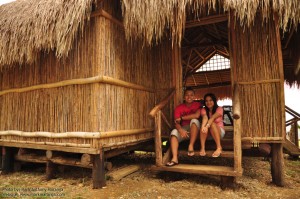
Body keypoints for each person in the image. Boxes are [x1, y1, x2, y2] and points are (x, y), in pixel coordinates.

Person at [166, 87, 202, 166]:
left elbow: (196, 115)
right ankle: (175, 158)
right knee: (174, 132)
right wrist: (180, 130)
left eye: (191, 95)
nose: (189, 97)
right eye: (187, 95)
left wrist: (182, 118)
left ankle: (191, 145)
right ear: (184, 97)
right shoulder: (179, 108)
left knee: (194, 121)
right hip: (185, 130)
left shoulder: (198, 105)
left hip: (196, 129)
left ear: (194, 96)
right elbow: (176, 122)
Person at [200, 93, 225, 157]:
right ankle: (202, 148)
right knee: (202, 127)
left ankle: (219, 147)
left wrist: (207, 126)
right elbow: (205, 118)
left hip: (219, 132)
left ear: (214, 100)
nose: (208, 102)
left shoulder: (219, 109)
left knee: (212, 124)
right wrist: (203, 127)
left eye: (210, 100)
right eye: (206, 101)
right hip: (208, 132)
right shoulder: (203, 110)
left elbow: (212, 118)